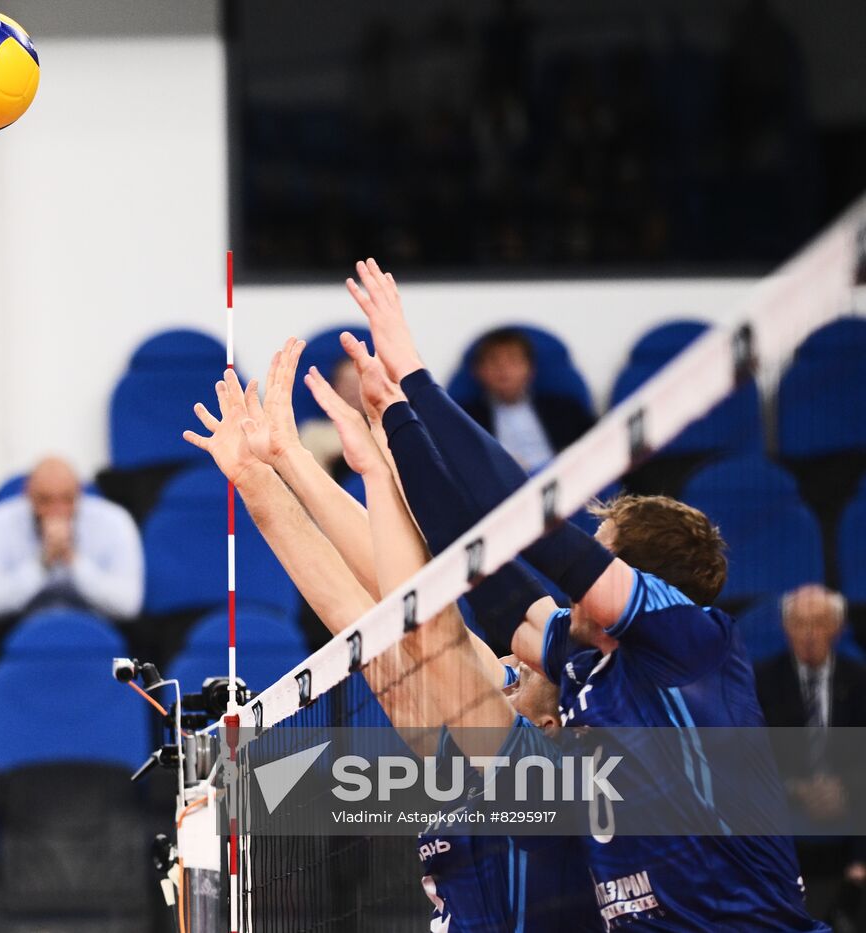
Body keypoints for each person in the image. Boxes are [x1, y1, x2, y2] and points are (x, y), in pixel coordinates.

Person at [347, 256, 826, 930]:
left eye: (600, 551)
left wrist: (418, 378)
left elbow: (527, 516)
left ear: (640, 581)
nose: (576, 575)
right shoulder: (585, 658)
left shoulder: (693, 641)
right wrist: (398, 420)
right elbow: (477, 564)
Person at [185, 357, 599, 931]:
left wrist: (348, 469)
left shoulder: (539, 779)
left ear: (547, 727)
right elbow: (358, 614)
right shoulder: (460, 759)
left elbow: (415, 612)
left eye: (520, 676)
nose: (508, 663)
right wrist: (260, 475)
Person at [755, 585, 866, 928]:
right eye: (800, 623)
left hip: (853, 809)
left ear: (838, 628)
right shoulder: (759, 682)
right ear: (785, 628)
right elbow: (749, 758)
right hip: (782, 808)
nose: (809, 634)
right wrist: (796, 789)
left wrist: (844, 787)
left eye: (819, 623)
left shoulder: (860, 680)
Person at [0, 457, 143, 619]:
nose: (56, 510)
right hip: (16, 624)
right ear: (27, 494)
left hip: (95, 623)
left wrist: (73, 560)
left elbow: (128, 605)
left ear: (80, 493)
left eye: (67, 499)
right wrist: (42, 564)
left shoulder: (115, 521)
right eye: (45, 500)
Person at [459, 327, 593, 471]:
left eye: (513, 360)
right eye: (494, 361)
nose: (504, 369)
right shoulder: (465, 419)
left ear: (530, 368)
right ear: (478, 371)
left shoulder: (566, 409)